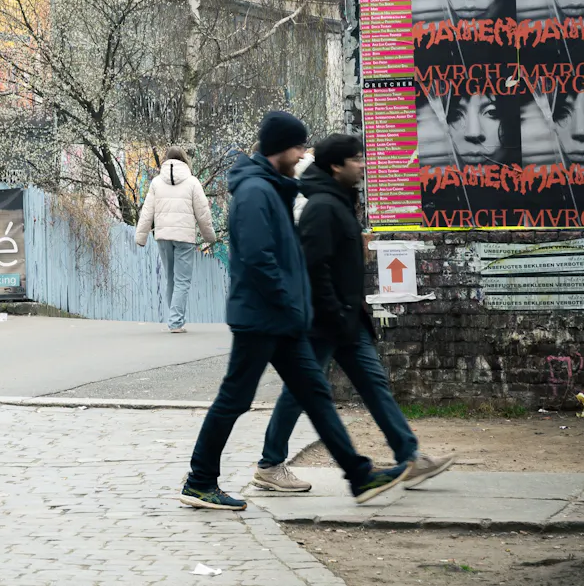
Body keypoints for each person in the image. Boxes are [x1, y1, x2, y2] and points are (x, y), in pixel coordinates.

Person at [180, 112, 409, 511]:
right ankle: (200, 481)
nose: (304, 154)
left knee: (316, 395)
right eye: (300, 146)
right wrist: (289, 300)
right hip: (261, 318)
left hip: (281, 319)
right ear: (282, 148)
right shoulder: (254, 191)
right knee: (234, 399)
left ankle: (359, 476)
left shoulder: (274, 187)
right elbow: (258, 258)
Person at [252, 134, 453, 493]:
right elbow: (314, 268)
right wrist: (335, 312)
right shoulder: (322, 207)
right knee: (300, 391)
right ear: (336, 166)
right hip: (324, 320)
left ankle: (409, 456)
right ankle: (270, 464)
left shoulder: (340, 200)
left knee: (374, 384)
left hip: (347, 317)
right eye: (356, 159)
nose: (362, 164)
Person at [135, 147, 217, 333]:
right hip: (184, 238)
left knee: (170, 278)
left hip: (163, 237)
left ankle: (175, 320)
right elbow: (203, 213)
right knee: (182, 280)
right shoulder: (192, 182)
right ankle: (176, 322)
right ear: (184, 161)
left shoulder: (156, 183)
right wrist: (209, 236)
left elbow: (147, 211)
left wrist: (141, 236)